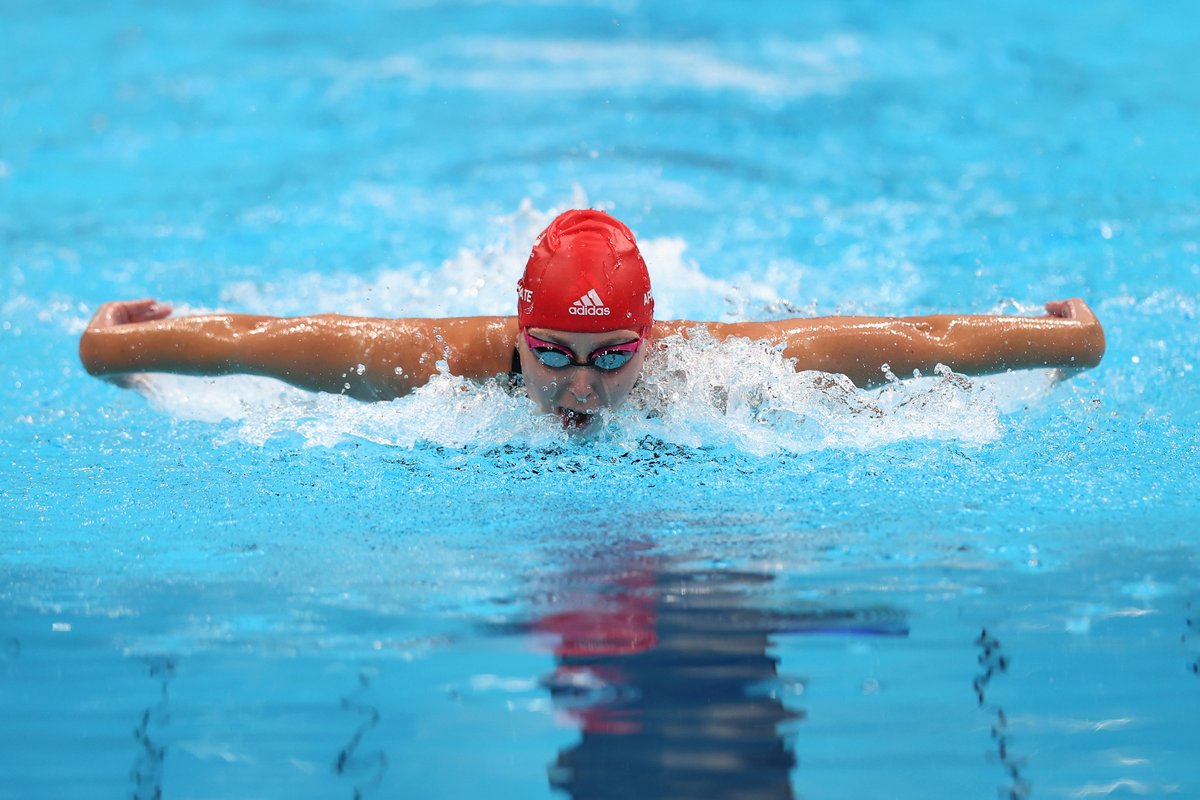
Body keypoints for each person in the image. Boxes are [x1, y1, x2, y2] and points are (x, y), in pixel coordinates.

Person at [79, 209, 1106, 430]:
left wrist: (1073, 338)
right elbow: (263, 344)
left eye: (613, 355)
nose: (579, 385)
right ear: (516, 338)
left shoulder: (716, 368)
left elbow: (912, 342)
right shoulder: (438, 363)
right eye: (554, 357)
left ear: (650, 340)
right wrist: (114, 344)